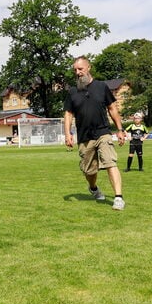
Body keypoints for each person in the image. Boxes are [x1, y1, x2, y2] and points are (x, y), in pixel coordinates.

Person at [63, 56, 126, 211]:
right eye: (75, 70)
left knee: (110, 162)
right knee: (90, 170)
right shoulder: (72, 92)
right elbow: (68, 114)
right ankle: (93, 188)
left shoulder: (101, 87)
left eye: (80, 69)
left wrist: (120, 129)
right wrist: (68, 133)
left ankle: (118, 198)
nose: (77, 73)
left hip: (103, 132)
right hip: (84, 137)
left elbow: (112, 109)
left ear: (88, 68)